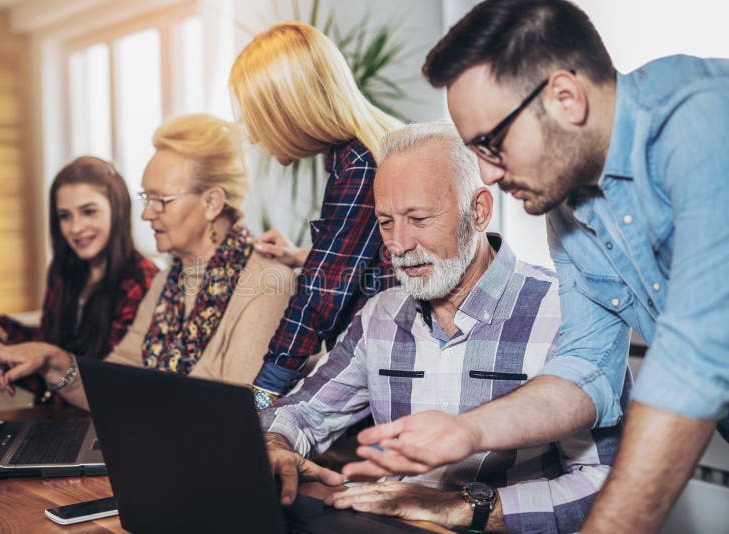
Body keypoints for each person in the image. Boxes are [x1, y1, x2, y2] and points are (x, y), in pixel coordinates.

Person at [343, 1, 729, 532]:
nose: (486, 173)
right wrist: (470, 432)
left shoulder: (704, 124)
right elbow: (584, 368)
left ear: (565, 98)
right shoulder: (570, 204)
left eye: (491, 143)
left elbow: (695, 362)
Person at [261, 123, 628, 533]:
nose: (398, 244)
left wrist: (462, 508)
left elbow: (610, 484)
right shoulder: (379, 315)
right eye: (385, 222)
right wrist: (277, 444)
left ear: (479, 211)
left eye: (418, 219)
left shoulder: (565, 314)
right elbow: (301, 410)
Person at [0, 114, 295, 410]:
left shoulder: (267, 285)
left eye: (160, 200)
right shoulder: (168, 283)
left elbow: (237, 414)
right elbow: (115, 383)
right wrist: (51, 360)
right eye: (146, 198)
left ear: (211, 203)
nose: (147, 213)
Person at [228, 21, 404, 408]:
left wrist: (263, 392)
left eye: (257, 116)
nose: (254, 135)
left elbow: (319, 297)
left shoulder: (361, 166)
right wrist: (302, 257)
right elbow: (368, 263)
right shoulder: (358, 155)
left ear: (290, 110)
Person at [0, 156, 158, 403]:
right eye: (65, 216)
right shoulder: (63, 271)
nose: (75, 228)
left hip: (98, 421)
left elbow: (107, 385)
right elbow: (48, 342)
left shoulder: (143, 282)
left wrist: (11, 357)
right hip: (55, 413)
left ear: (118, 210)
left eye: (88, 212)